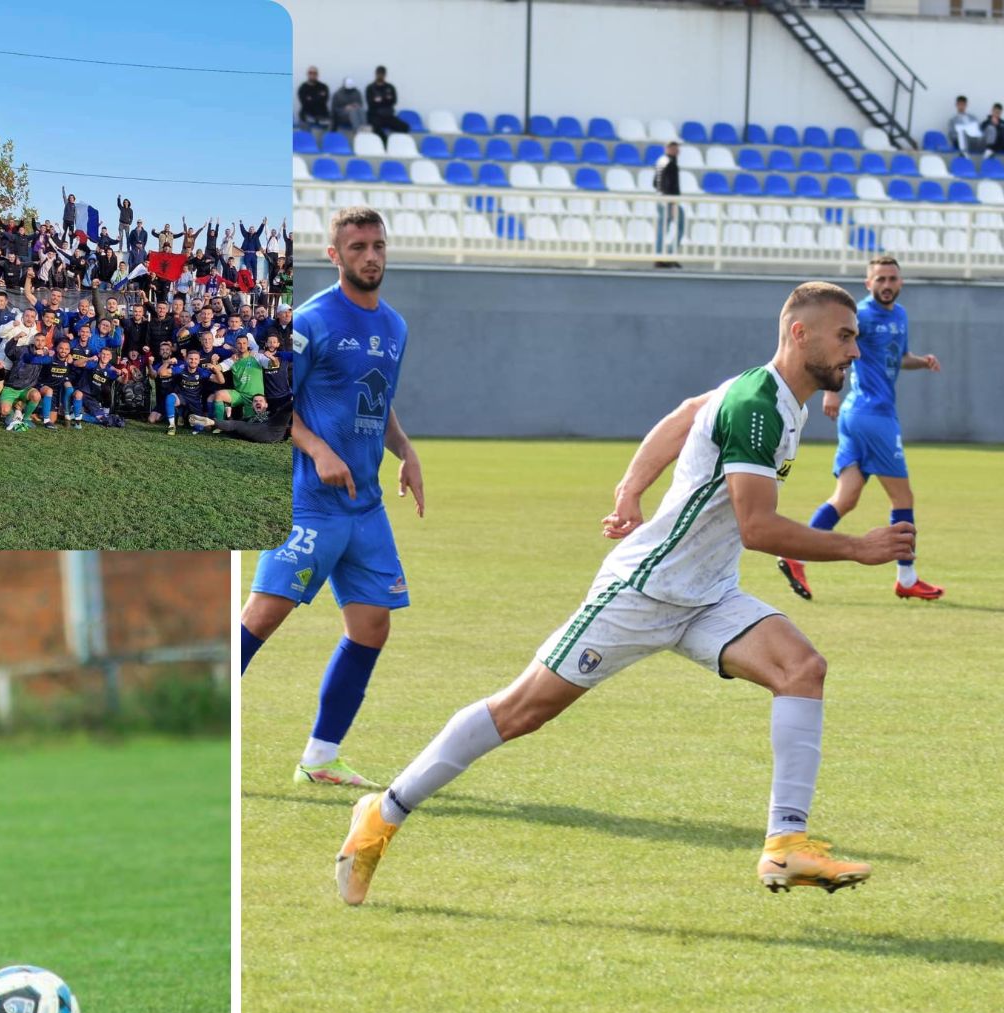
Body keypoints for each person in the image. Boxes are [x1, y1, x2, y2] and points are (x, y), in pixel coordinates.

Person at [336, 280, 917, 907]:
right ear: (800, 334)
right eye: (845, 336)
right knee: (523, 710)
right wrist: (857, 547)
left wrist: (630, 489)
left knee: (802, 669)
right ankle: (383, 813)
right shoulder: (757, 403)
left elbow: (686, 413)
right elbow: (757, 528)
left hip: (707, 596)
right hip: (643, 591)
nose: (855, 351)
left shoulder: (774, 398)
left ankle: (785, 844)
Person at [240, 206, 420, 788]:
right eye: (358, 247)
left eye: (378, 245)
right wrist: (317, 449)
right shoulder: (312, 321)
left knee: (371, 627)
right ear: (334, 255)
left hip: (366, 507)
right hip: (310, 504)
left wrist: (405, 449)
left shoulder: (395, 326)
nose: (371, 256)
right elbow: (278, 403)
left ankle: (320, 758)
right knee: (260, 620)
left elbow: (378, 398)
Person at [777, 256, 945, 603]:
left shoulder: (900, 316)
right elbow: (831, 346)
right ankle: (907, 578)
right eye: (880, 279)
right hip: (873, 415)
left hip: (859, 416)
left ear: (900, 283)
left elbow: (897, 357)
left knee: (846, 497)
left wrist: (922, 361)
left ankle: (796, 556)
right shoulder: (862, 316)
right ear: (868, 284)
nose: (887, 285)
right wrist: (830, 391)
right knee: (903, 499)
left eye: (892, 279)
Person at [653, 140, 683, 268]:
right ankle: (668, 255)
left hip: (661, 199)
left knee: (663, 228)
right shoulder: (671, 163)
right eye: (675, 148)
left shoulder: (661, 161)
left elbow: (655, 183)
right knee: (679, 227)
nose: (678, 151)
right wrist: (673, 202)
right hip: (668, 200)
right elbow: (670, 185)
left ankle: (660, 256)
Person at [365, 65, 410, 142]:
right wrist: (385, 100)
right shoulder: (370, 88)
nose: (380, 76)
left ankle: (395, 142)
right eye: (379, 73)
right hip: (375, 115)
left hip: (388, 115)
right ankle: (385, 143)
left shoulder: (390, 87)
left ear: (385, 75)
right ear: (375, 74)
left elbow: (394, 101)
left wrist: (380, 101)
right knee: (376, 128)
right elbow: (371, 103)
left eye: (382, 74)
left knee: (405, 127)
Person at [297, 65, 331, 132]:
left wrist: (311, 98)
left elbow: (324, 101)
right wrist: (318, 96)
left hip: (322, 114)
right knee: (304, 123)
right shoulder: (302, 88)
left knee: (329, 123)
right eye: (310, 73)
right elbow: (304, 103)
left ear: (317, 75)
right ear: (307, 74)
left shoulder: (323, 87)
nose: (312, 74)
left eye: (314, 73)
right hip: (307, 114)